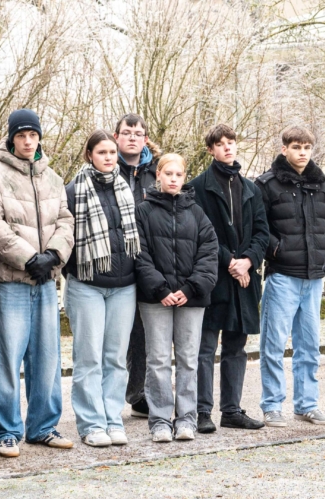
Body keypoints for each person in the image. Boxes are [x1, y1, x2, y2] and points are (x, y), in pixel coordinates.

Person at [0, 108, 75, 458]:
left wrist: (53, 255)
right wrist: (28, 257)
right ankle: (6, 432)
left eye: (33, 135)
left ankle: (43, 427)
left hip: (45, 281)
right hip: (13, 281)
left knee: (47, 358)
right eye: (21, 135)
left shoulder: (53, 177)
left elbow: (66, 220)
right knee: (6, 360)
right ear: (12, 138)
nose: (28, 141)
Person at [186, 123, 270, 433]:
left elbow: (262, 232)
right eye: (220, 143)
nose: (227, 147)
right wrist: (231, 262)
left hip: (244, 280)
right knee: (205, 348)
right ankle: (202, 411)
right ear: (211, 149)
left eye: (231, 142)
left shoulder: (251, 188)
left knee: (236, 347)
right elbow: (201, 232)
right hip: (212, 278)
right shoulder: (197, 187)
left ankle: (232, 410)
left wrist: (248, 261)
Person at [63, 130, 141, 448]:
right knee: (89, 358)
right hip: (87, 286)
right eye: (101, 152)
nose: (108, 157)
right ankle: (92, 424)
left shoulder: (126, 188)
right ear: (89, 155)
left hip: (124, 286)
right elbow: (64, 237)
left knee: (116, 358)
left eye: (111, 152)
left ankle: (113, 419)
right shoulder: (73, 191)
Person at [134, 154, 219, 442]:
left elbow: (209, 253)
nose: (173, 179)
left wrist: (191, 288)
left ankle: (186, 420)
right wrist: (161, 289)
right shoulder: (143, 211)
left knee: (188, 360)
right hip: (155, 300)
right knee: (157, 360)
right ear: (158, 175)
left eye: (178, 174)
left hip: (190, 300)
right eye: (168, 173)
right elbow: (139, 254)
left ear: (184, 177)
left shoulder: (197, 213)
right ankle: (159, 421)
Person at [255, 125, 325, 428]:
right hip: (283, 276)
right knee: (273, 345)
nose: (302, 153)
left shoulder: (322, 183)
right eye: (296, 147)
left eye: (307, 147)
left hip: (314, 277)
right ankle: (272, 405)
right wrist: (277, 249)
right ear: (284, 148)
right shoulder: (266, 184)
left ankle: (307, 404)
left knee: (309, 346)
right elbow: (259, 228)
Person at [113, 113, 159, 421]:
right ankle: (107, 398)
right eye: (127, 132)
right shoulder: (105, 166)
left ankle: (139, 394)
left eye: (138, 133)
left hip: (149, 263)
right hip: (116, 263)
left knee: (144, 335)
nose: (132, 137)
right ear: (116, 136)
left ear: (145, 139)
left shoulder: (157, 172)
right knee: (115, 336)